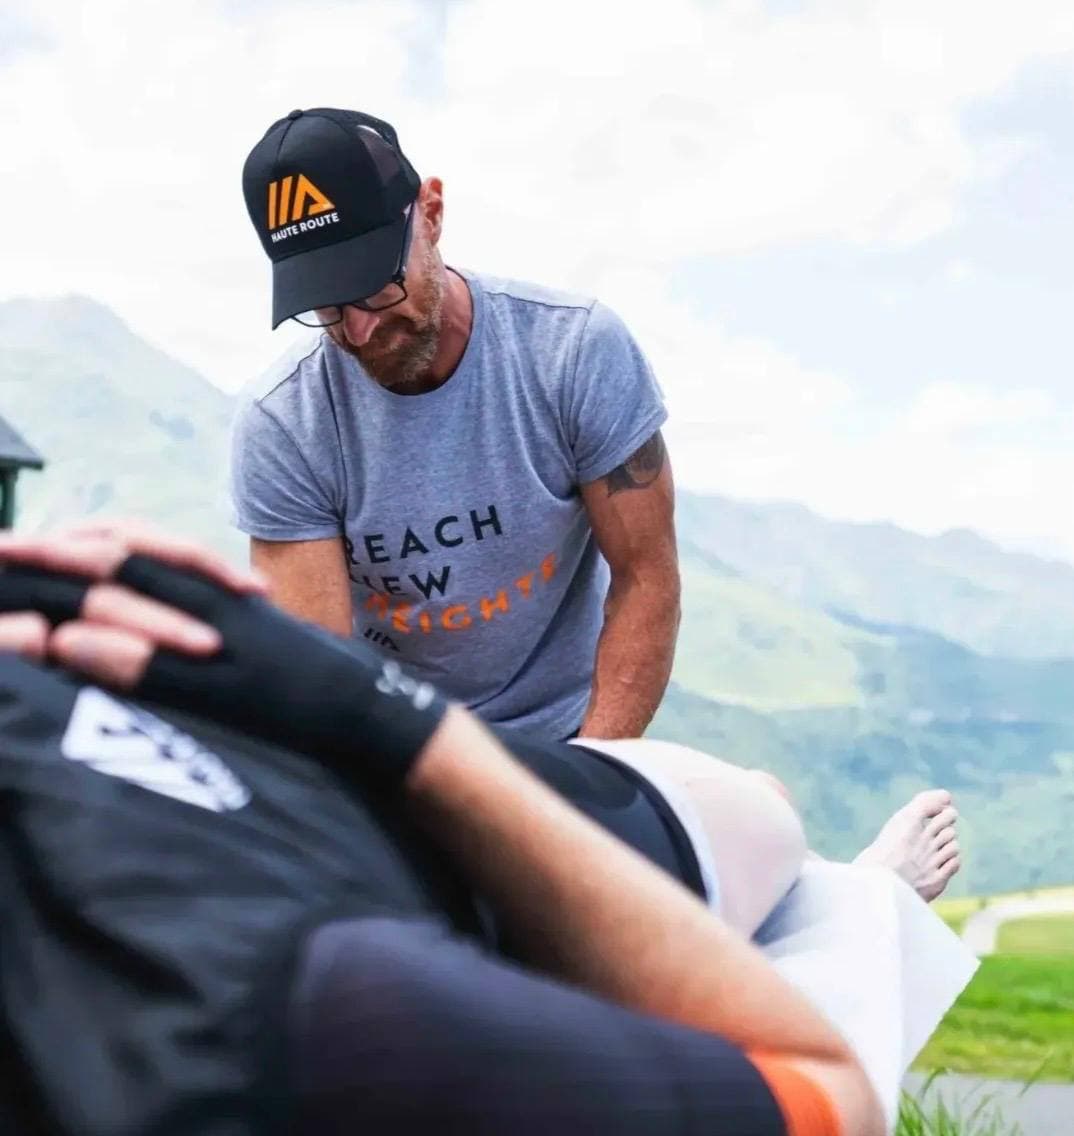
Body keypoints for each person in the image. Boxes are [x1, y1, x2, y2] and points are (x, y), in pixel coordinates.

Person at [0, 523, 968, 1134]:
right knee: (770, 827)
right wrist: (400, 723)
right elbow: (834, 1100)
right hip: (458, 841)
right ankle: (870, 896)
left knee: (762, 807)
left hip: (289, 756)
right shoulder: (299, 1012)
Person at [233, 107, 679, 741]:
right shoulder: (284, 424)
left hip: (572, 736)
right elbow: (319, 676)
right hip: (401, 751)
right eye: (325, 305)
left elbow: (646, 579)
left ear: (431, 214)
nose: (358, 329)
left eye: (375, 285)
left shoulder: (574, 352)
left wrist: (595, 766)